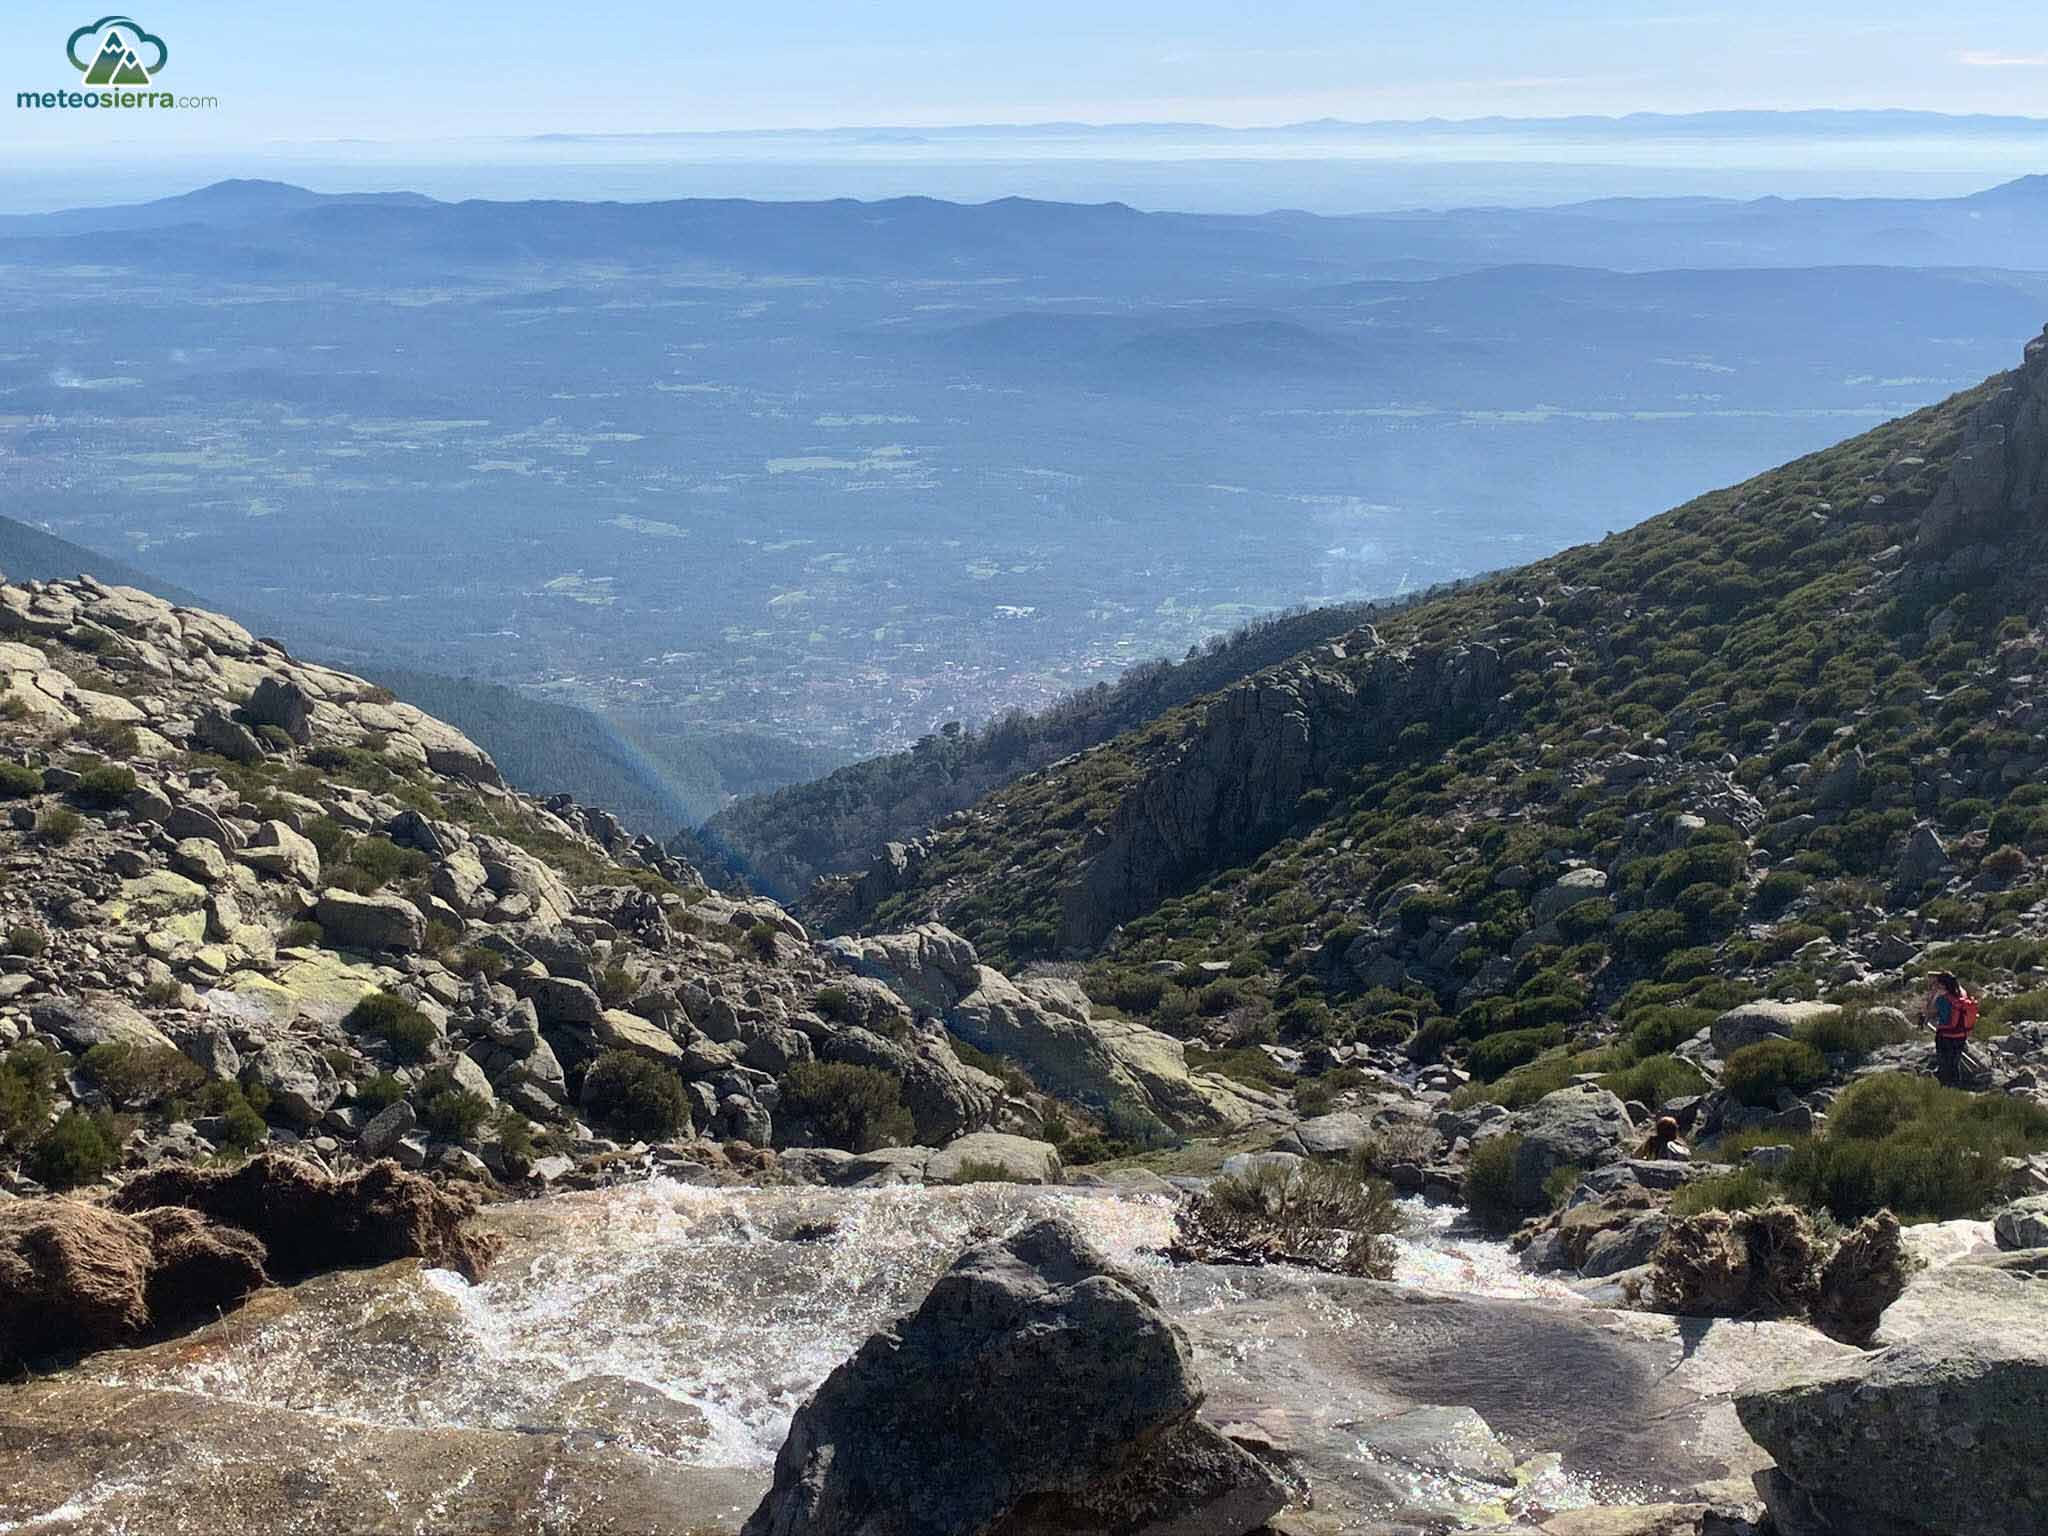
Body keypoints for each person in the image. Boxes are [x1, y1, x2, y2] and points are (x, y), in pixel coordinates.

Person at [1923, 971, 1977, 1088]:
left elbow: (1930, 1012)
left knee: (1944, 1064)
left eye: (1938, 983)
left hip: (1945, 1036)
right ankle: (1956, 1087)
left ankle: (1944, 1088)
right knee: (1955, 1064)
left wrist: (1932, 994)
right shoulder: (1961, 997)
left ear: (1942, 985)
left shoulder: (1942, 1000)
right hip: (1961, 1036)